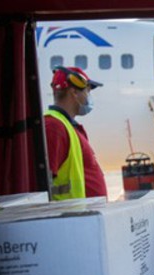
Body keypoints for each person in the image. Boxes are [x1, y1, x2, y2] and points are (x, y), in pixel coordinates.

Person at [45, 66, 107, 200]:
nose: (89, 97)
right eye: (87, 91)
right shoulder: (54, 127)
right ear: (74, 92)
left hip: (80, 215)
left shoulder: (66, 126)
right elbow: (44, 182)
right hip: (69, 217)